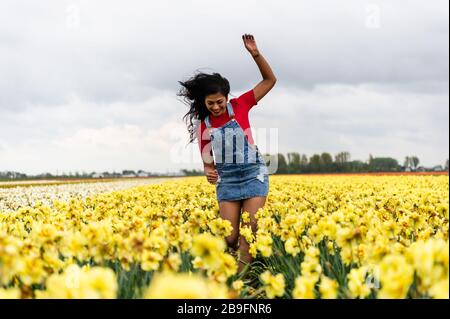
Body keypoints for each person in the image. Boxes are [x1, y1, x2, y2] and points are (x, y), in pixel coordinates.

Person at [178, 34, 277, 273]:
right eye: (210, 103)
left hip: (254, 175)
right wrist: (208, 171)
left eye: (219, 102)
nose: (216, 107)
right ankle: (222, 271)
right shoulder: (205, 124)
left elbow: (270, 80)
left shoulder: (241, 104)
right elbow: (208, 162)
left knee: (246, 235)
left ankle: (238, 286)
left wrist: (255, 54)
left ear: (226, 97)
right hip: (228, 181)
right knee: (229, 238)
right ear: (204, 103)